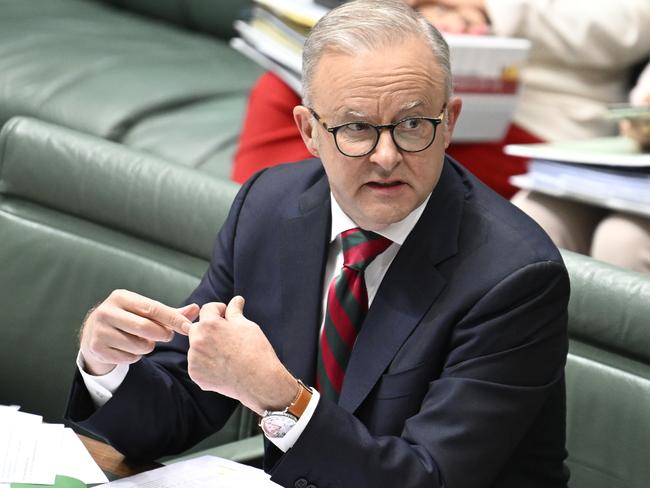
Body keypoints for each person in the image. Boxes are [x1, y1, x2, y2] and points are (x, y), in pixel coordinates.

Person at [66, 2, 571, 487]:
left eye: (413, 124)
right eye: (356, 128)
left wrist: (280, 398)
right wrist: (106, 364)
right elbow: (186, 401)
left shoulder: (514, 277)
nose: (387, 156)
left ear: (451, 122)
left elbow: (427, 477)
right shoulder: (269, 206)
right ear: (309, 130)